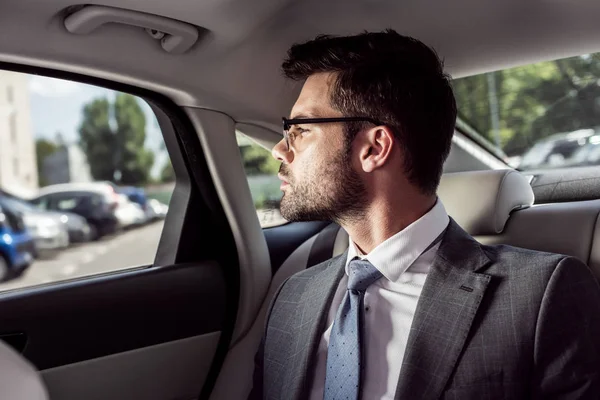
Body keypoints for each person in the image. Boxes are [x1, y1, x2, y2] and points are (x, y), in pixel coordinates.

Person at [248, 30, 600, 400]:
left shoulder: (541, 294)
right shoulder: (294, 294)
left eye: (300, 129)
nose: (278, 150)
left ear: (374, 147)